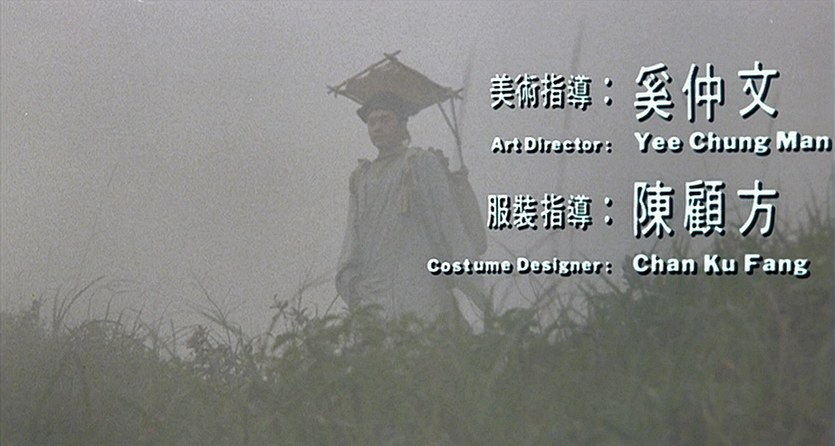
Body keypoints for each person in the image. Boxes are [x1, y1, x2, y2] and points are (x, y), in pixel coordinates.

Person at [336, 91, 488, 322]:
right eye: (372, 122)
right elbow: (351, 241)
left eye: (385, 120)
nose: (377, 127)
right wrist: (354, 288)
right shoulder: (361, 177)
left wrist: (484, 299)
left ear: (402, 124)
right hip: (375, 300)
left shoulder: (420, 163)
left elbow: (450, 227)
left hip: (422, 294)